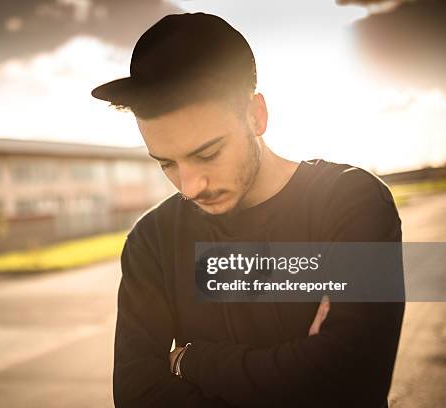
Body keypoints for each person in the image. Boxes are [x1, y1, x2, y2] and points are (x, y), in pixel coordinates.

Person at [91, 12, 404, 408]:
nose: (190, 186)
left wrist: (193, 360)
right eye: (166, 163)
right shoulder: (150, 241)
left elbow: (353, 383)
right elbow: (138, 396)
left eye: (207, 153)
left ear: (257, 115)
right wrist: (302, 372)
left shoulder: (353, 203)